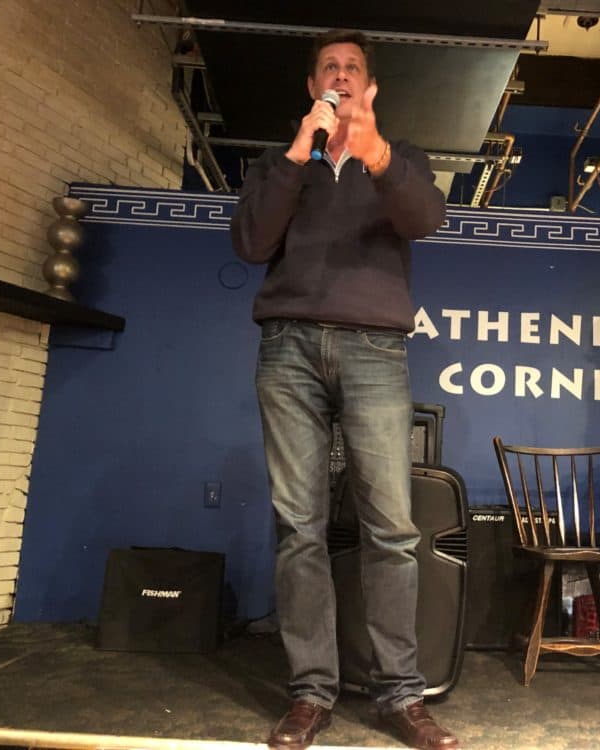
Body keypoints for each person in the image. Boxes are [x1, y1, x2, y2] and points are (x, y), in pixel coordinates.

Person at [231, 29, 458, 750]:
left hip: (373, 349)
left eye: (353, 67)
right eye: (329, 67)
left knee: (390, 529)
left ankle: (399, 696)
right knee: (299, 528)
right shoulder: (280, 162)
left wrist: (376, 151)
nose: (340, 75)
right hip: (288, 347)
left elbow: (425, 219)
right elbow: (251, 244)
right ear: (312, 87)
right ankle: (310, 693)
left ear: (370, 86)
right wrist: (301, 152)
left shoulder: (402, 158)